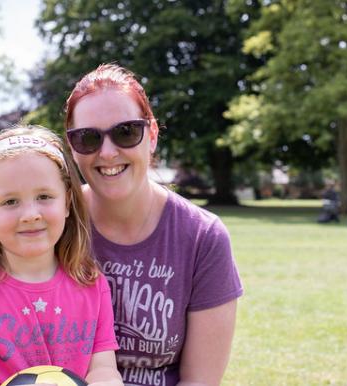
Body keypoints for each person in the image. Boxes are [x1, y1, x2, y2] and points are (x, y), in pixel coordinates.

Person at [62, 64, 243, 385]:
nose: (107, 152)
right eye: (88, 138)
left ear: (153, 135)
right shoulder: (53, 226)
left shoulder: (203, 236)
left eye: (126, 132)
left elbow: (199, 381)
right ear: (72, 148)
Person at [0, 126, 123, 386]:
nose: (30, 214)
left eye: (44, 196)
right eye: (10, 202)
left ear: (67, 203)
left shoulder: (91, 284)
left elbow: (104, 370)